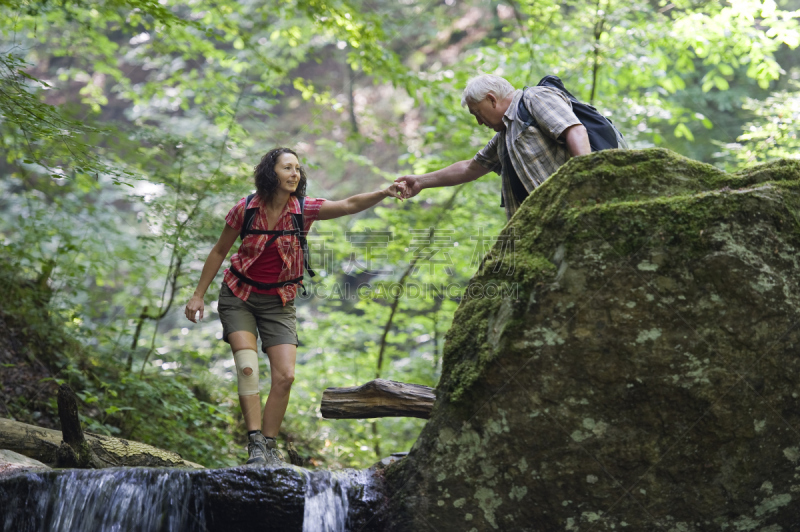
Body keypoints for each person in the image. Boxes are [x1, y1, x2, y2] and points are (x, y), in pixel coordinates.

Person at [184, 147, 404, 466]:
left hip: (279, 301)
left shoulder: (303, 209)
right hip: (239, 295)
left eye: (298, 169)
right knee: (247, 367)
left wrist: (384, 192)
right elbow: (219, 251)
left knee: (285, 376)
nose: (294, 174)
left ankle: (269, 445)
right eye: (287, 167)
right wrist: (198, 295)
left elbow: (347, 205)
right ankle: (255, 442)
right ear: (270, 173)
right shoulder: (244, 209)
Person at [395, 74, 626, 220]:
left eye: (477, 113)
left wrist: (587, 176)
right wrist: (421, 181)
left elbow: (573, 129)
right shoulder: (505, 135)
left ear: (492, 99)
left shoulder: (534, 99)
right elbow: (470, 168)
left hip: (582, 204)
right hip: (554, 221)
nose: (479, 121)